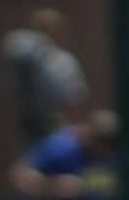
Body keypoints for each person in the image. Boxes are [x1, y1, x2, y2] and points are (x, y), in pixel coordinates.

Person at [6, 12, 87, 147]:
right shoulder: (61, 60)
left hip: (25, 122)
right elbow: (72, 98)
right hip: (54, 121)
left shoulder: (18, 50)